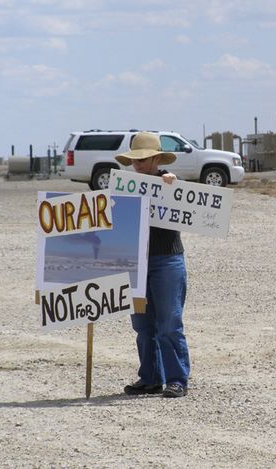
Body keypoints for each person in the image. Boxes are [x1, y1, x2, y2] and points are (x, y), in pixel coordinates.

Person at [115, 132, 190, 398]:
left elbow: (189, 200)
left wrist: (173, 185)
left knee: (170, 322)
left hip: (167, 259)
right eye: (135, 160)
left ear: (157, 159)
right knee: (143, 324)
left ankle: (177, 379)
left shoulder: (169, 183)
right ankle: (150, 378)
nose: (138, 164)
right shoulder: (123, 186)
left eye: (144, 159)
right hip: (135, 260)